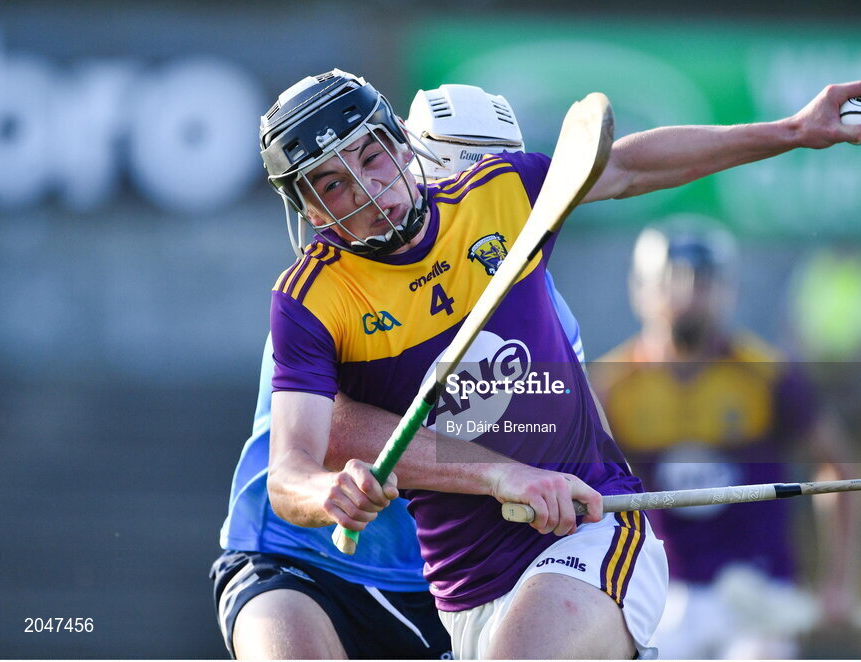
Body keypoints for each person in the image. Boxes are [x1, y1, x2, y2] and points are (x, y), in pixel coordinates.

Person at [258, 68, 861, 659]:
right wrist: (326, 493)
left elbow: (633, 166)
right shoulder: (311, 299)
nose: (368, 190)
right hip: (465, 591)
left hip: (594, 528)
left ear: (401, 144)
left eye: (372, 157)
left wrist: (793, 131)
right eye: (333, 184)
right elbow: (294, 469)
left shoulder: (499, 194)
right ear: (308, 211)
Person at [210, 83, 588, 659]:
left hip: (458, 582)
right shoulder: (329, 299)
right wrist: (497, 474)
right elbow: (337, 435)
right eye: (455, 167)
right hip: (304, 559)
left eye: (495, 167)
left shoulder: (543, 307)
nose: (474, 191)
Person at [592, 219, 861, 658]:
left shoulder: (768, 376)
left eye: (702, 280)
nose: (685, 294)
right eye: (669, 279)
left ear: (728, 290)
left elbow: (838, 467)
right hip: (659, 598)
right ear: (638, 289)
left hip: (759, 597)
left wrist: (839, 583)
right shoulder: (609, 388)